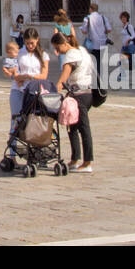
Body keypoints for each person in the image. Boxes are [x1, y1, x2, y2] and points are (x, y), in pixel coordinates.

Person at [2, 30, 50, 162]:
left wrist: (29, 76)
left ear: (37, 40)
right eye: (27, 43)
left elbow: (44, 76)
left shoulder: (43, 55)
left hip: (34, 92)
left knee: (34, 122)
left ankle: (35, 153)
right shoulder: (19, 54)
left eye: (32, 43)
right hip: (18, 91)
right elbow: (14, 75)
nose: (30, 46)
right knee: (16, 121)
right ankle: (12, 155)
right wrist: (20, 76)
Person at [51, 31, 95, 172]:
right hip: (88, 92)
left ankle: (87, 162)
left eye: (57, 48)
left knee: (83, 127)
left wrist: (53, 90)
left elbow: (63, 79)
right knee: (73, 127)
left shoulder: (70, 55)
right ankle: (75, 159)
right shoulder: (81, 49)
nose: (57, 52)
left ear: (64, 44)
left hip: (79, 95)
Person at [80, 2, 111, 83]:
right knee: (100, 62)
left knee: (93, 61)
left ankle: (95, 79)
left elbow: (84, 31)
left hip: (92, 44)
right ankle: (101, 79)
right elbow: (109, 29)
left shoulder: (88, 18)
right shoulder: (103, 17)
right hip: (103, 43)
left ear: (91, 9)